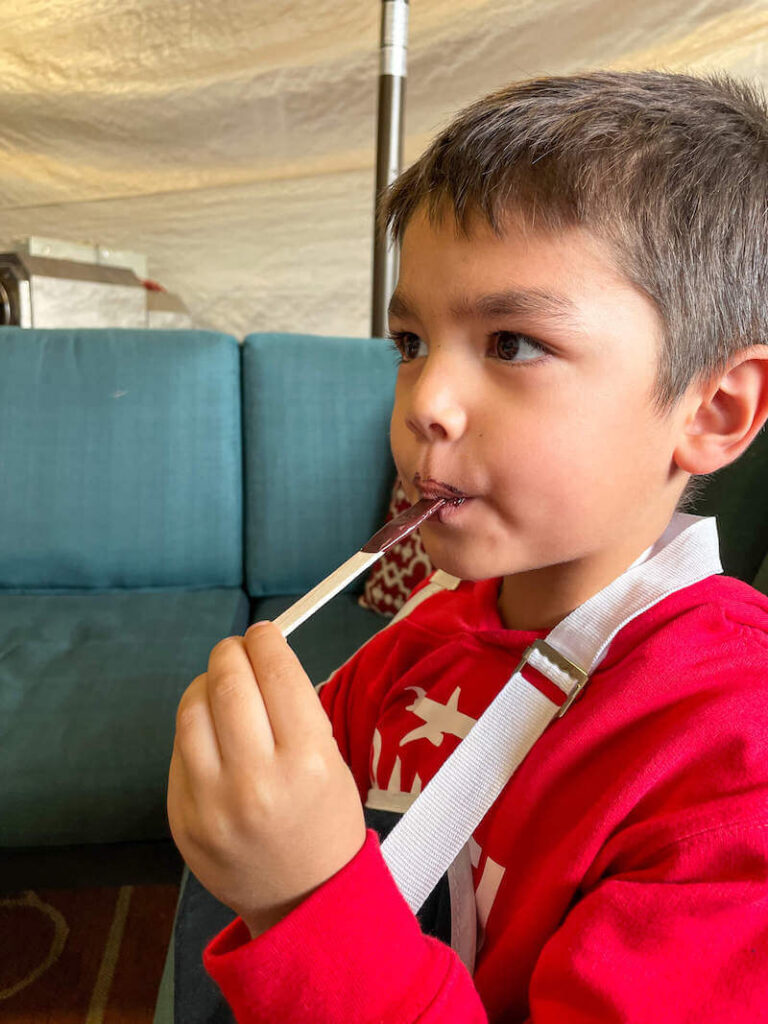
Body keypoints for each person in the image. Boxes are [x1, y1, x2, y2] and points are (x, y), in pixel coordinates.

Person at [166, 69, 768, 1022]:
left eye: (512, 344)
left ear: (712, 408)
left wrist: (303, 901)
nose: (423, 406)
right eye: (410, 342)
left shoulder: (735, 764)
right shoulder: (409, 654)